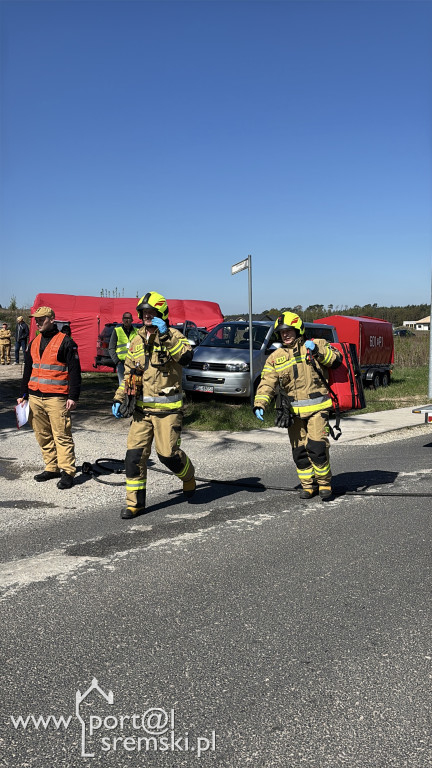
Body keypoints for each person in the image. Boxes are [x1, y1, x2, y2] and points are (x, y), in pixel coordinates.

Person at [112, 291, 196, 519]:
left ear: (162, 314)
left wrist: (165, 335)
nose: (147, 316)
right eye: (144, 312)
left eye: (152, 312)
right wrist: (119, 398)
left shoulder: (175, 336)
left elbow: (186, 358)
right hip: (141, 412)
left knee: (168, 455)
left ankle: (189, 476)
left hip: (167, 412)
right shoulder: (136, 341)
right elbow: (129, 374)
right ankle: (135, 504)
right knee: (133, 457)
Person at [253, 311, 342, 500]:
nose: (285, 335)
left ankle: (324, 484)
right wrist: (260, 403)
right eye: (282, 332)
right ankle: (308, 485)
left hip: (318, 409)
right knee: (299, 451)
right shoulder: (275, 357)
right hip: (292, 413)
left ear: (298, 330)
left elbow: (336, 361)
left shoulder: (317, 344)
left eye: (288, 331)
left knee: (317, 448)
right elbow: (267, 382)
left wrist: (317, 351)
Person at [17, 306, 81, 490]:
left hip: (57, 398)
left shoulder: (66, 342)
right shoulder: (34, 342)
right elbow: (28, 370)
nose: (38, 322)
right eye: (36, 319)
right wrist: (23, 394)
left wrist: (73, 396)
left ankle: (67, 472)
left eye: (42, 319)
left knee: (62, 435)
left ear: (52, 319)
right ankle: (52, 467)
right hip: (35, 397)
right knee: (42, 434)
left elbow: (75, 372)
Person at [109, 311, 138, 384]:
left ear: (132, 320)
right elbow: (111, 348)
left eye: (128, 318)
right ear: (122, 319)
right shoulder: (117, 330)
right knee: (122, 384)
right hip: (121, 363)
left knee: (134, 384)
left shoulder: (137, 331)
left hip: (133, 363)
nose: (126, 320)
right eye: (125, 318)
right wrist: (117, 361)